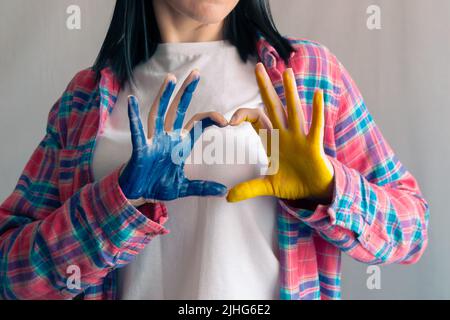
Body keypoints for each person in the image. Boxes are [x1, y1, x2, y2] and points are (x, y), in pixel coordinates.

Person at [0, 0, 429, 300]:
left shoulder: (309, 75)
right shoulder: (86, 100)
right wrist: (120, 203)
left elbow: (411, 233)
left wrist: (327, 189)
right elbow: (9, 270)